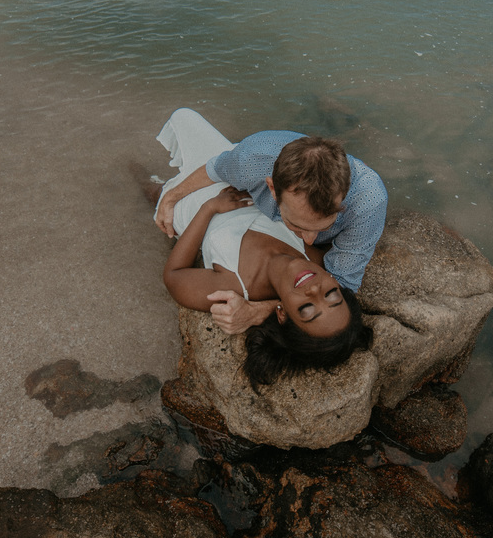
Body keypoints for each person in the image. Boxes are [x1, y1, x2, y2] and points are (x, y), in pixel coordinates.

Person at [157, 117, 371, 389]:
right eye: (332, 295)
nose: (315, 291)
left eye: (307, 309)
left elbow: (173, 275)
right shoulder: (315, 259)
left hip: (199, 207)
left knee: (157, 197)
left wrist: (209, 208)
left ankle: (146, 183)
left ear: (281, 313)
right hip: (244, 184)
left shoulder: (235, 285)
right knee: (184, 118)